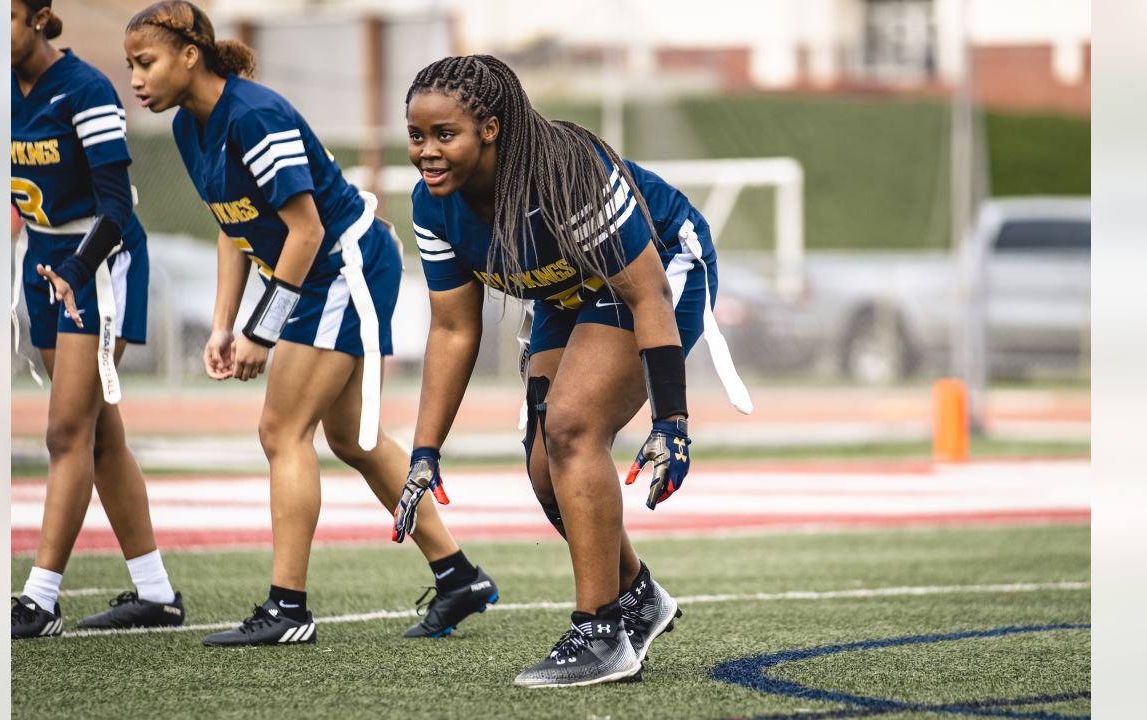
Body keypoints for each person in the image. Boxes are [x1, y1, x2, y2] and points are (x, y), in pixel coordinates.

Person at [123, 1, 498, 646]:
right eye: (131, 65)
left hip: (338, 268)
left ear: (190, 56)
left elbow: (307, 229)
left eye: (145, 62)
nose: (134, 78)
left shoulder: (254, 114)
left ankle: (288, 608)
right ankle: (458, 575)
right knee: (351, 437)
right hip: (317, 272)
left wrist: (259, 332)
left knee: (281, 431)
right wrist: (222, 323)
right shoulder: (191, 125)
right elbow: (232, 224)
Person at [394, 55, 752, 687]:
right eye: (417, 135)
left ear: (491, 129)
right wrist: (425, 449)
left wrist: (672, 419)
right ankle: (639, 597)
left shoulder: (564, 173)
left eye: (443, 135)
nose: (426, 151)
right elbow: (453, 329)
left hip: (657, 267)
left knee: (571, 428)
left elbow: (646, 294)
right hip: (569, 292)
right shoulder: (432, 206)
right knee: (544, 468)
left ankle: (601, 631)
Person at [10, 0, 184, 639]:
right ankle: (157, 594)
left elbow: (114, 208)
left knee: (65, 432)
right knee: (98, 435)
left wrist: (75, 275)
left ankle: (41, 598)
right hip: (42, 257)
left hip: (97, 261)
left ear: (37, 16)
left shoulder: (85, 89)